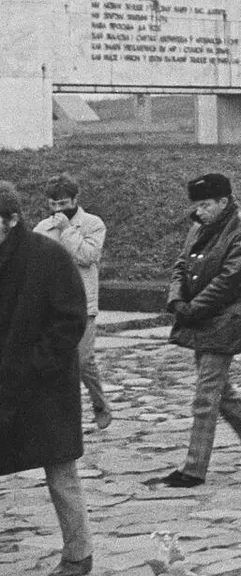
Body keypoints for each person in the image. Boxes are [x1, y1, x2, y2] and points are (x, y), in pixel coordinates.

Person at [145, 173, 241, 489]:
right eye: (197, 205)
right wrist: (176, 298)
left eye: (205, 205)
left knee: (206, 396)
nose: (199, 211)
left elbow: (228, 281)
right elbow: (181, 265)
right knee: (222, 392)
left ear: (224, 201)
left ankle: (194, 469)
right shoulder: (200, 226)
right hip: (201, 318)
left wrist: (192, 308)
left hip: (224, 321)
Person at [0, 180, 94, 576]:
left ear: (11, 220)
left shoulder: (47, 256)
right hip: (5, 384)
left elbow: (70, 319)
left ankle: (78, 555)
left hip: (45, 385)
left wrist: (36, 363)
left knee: (60, 471)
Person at [35, 175, 111, 431]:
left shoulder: (93, 224)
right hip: (53, 305)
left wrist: (67, 229)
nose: (58, 209)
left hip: (83, 303)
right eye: (53, 204)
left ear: (75, 199)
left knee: (82, 359)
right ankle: (65, 412)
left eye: (64, 203)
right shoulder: (42, 228)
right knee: (60, 360)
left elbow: (88, 256)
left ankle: (96, 403)